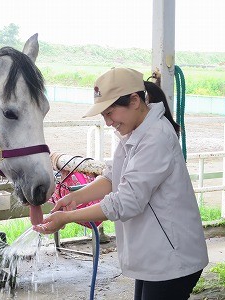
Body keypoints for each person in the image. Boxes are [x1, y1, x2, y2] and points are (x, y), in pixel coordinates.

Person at [33, 68, 209, 300]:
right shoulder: (134, 134)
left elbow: (126, 202)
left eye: (110, 113)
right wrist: (73, 198)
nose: (107, 123)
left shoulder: (156, 138)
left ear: (135, 101)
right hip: (154, 255)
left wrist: (66, 218)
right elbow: (111, 178)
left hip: (172, 258)